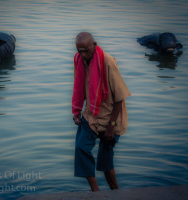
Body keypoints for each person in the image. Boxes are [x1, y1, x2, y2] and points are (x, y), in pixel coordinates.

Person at [72, 32, 131, 192]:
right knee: (81, 148)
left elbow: (119, 98)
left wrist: (111, 126)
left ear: (95, 45)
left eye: (86, 51)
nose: (83, 55)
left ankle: (115, 192)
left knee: (106, 161)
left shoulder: (107, 61)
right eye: (80, 51)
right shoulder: (79, 60)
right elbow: (79, 87)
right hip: (90, 115)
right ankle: (96, 192)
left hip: (111, 118)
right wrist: (76, 111)